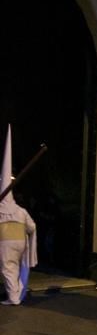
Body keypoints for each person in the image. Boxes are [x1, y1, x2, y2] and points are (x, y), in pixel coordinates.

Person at [0, 126, 37, 305]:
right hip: (20, 243)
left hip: (6, 243)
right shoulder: (21, 211)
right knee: (13, 268)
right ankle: (15, 292)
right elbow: (32, 227)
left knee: (8, 268)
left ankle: (13, 297)